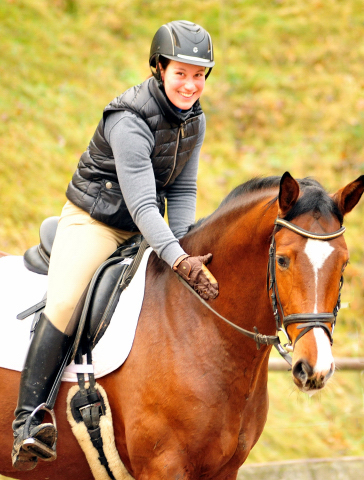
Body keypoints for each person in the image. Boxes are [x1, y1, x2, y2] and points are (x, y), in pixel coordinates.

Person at [12, 19, 218, 471]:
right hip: (96, 221)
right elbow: (146, 204)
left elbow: (180, 192)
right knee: (65, 301)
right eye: (180, 73)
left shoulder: (193, 120)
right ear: (159, 68)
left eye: (199, 75)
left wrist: (184, 243)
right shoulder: (129, 119)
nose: (190, 84)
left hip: (142, 228)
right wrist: (179, 258)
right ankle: (28, 419)